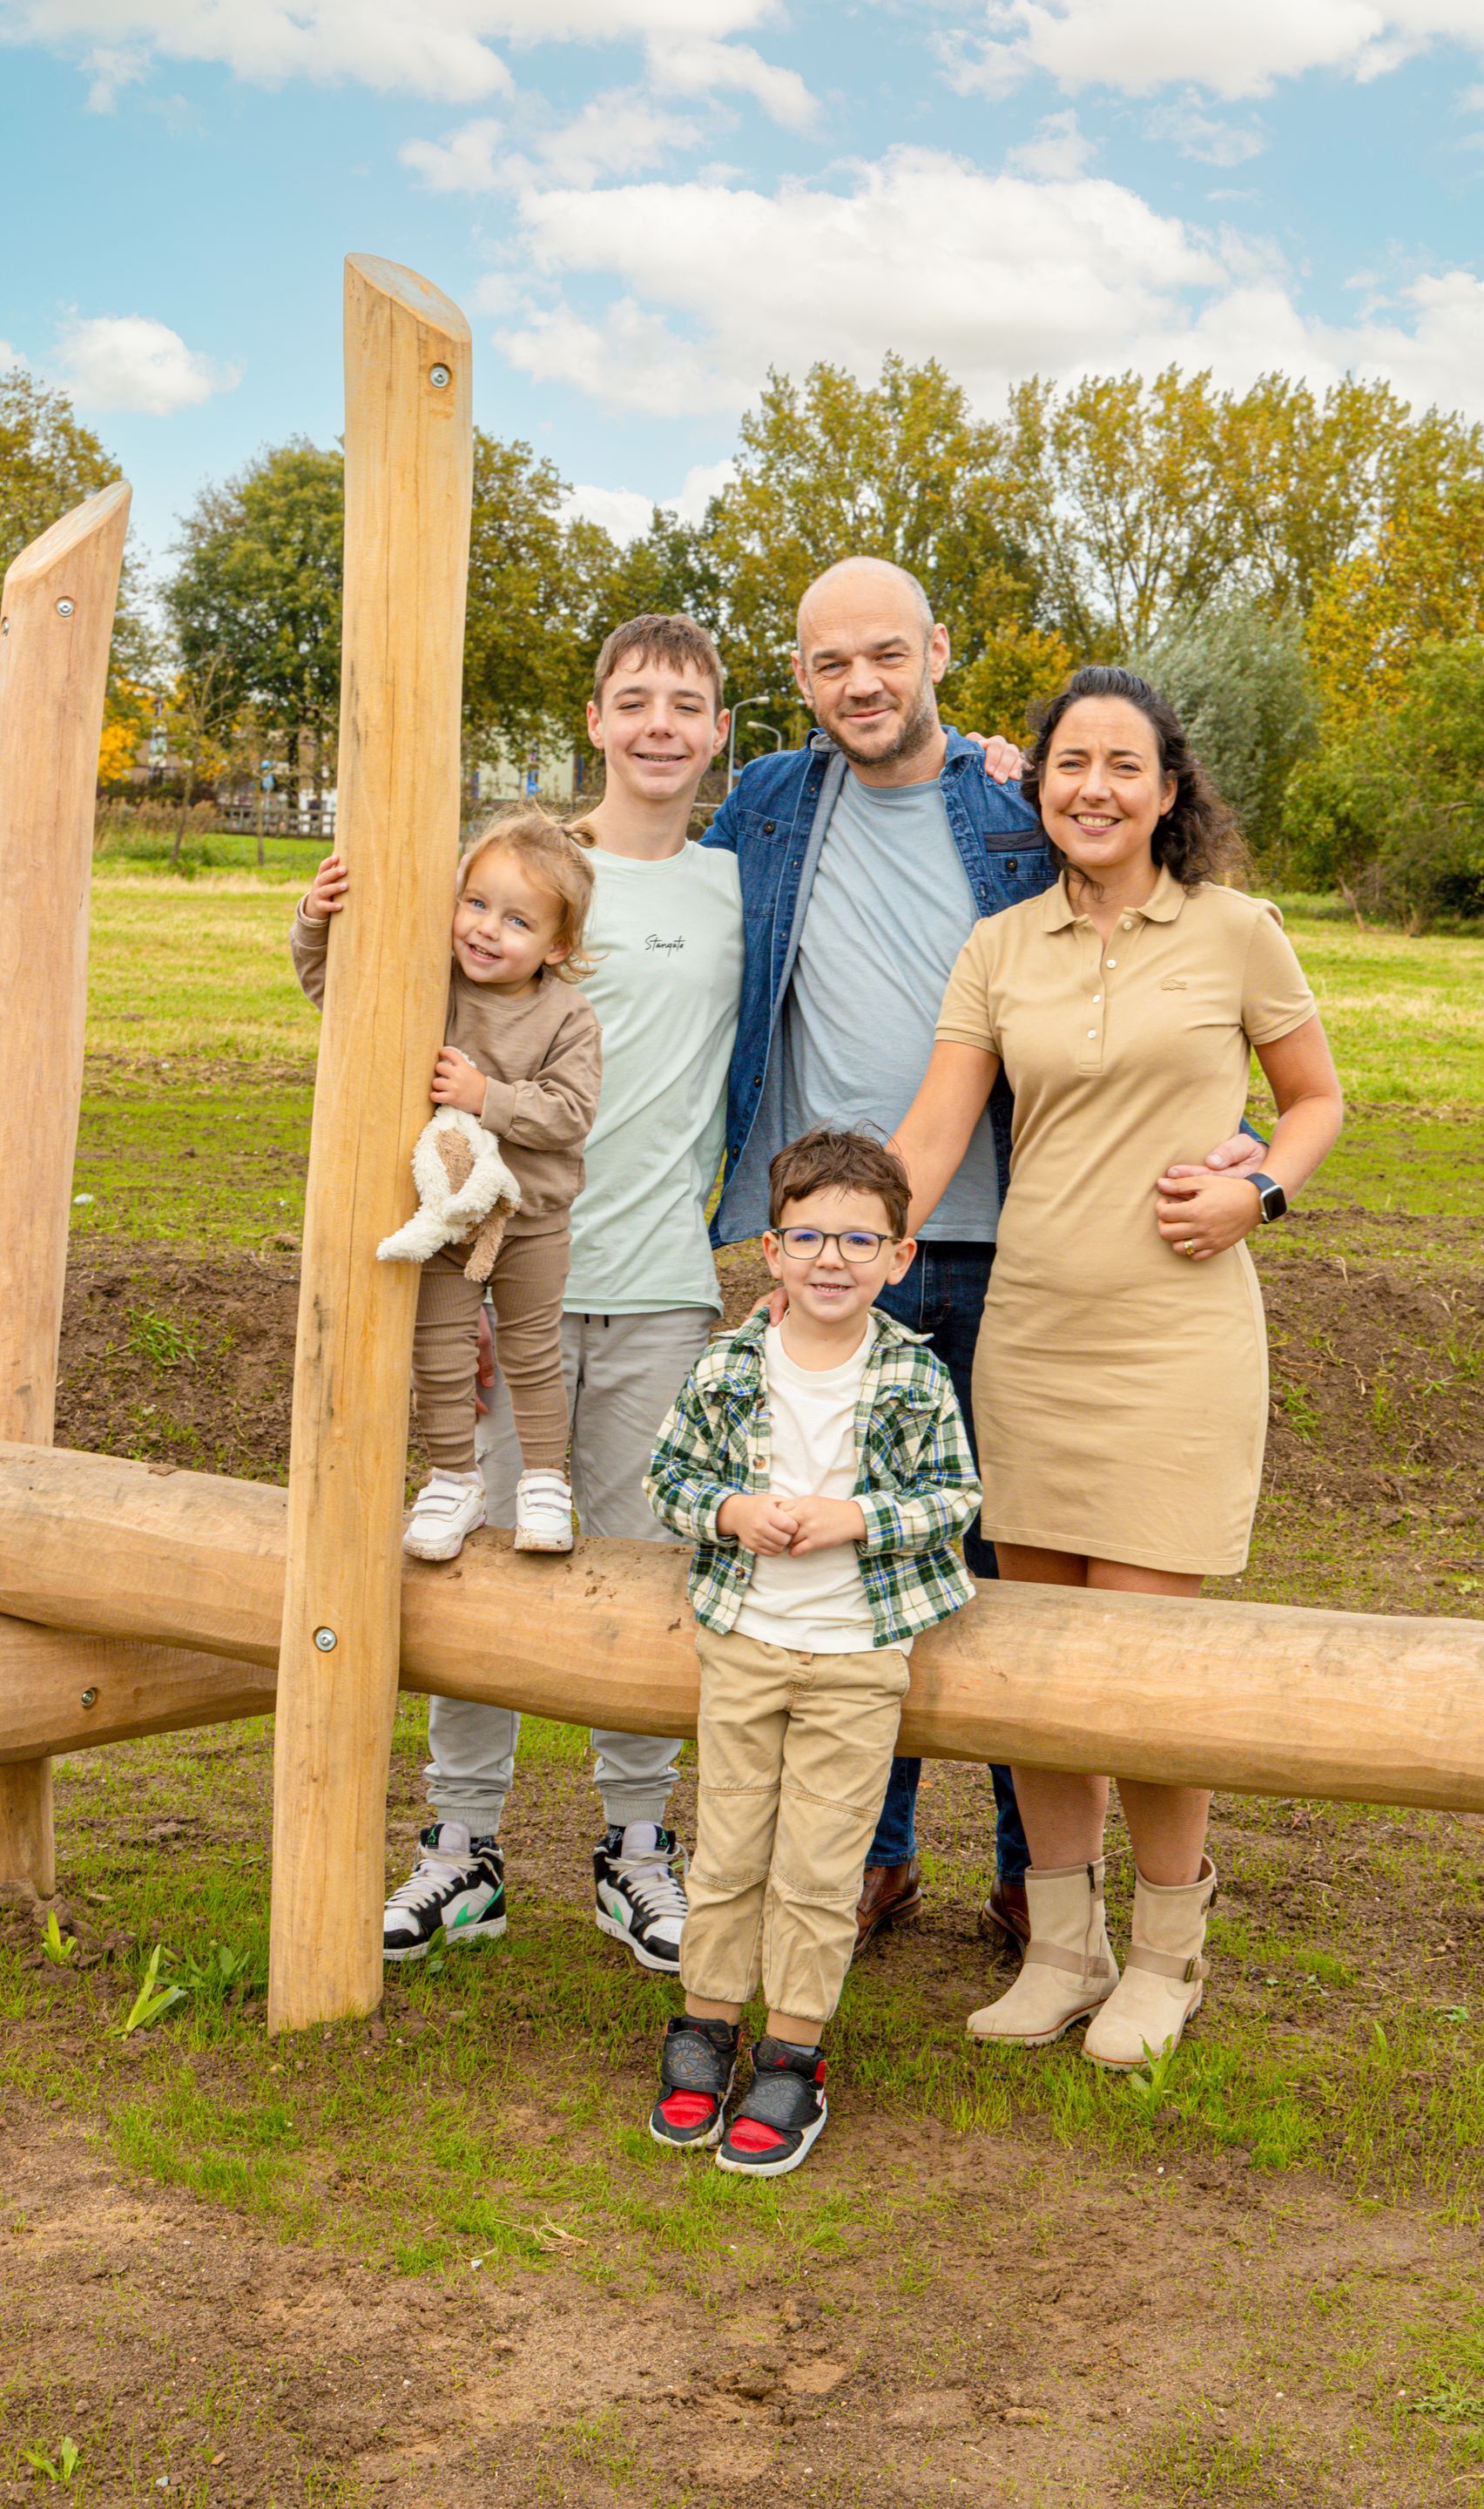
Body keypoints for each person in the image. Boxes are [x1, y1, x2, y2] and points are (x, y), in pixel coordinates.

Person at [702, 558, 1264, 1955]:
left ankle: (1039, 1889)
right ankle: (875, 1857)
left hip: (1032, 1253)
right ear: (802, 679)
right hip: (859, 1255)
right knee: (848, 1548)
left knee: (1031, 1584)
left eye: (887, 655)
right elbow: (622, 895)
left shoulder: (1016, 806)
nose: (862, 685)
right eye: (831, 664)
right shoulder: (768, 803)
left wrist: (1244, 1156)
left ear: (939, 652)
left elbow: (1150, 982)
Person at [889, 665, 1343, 2066]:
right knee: (1040, 1676)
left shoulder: (1235, 931)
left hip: (1176, 1346)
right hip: (1030, 1343)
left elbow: (1316, 1099)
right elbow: (930, 1134)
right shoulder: (999, 946)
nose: (1093, 787)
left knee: (1144, 1681)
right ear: (1037, 782)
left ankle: (1166, 1954)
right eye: (1069, 763)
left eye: (1123, 766)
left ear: (1167, 789)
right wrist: (837, 1250)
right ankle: (1063, 1944)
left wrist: (1256, 1191)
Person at [380, 614, 745, 1970]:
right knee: (470, 1548)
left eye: (688, 704)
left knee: (640, 1563)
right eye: (634, 698)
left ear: (718, 733)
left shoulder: (734, 883)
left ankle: (636, 1848)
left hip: (657, 1280)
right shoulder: (514, 877)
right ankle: (459, 1844)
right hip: (491, 1269)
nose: (660, 723)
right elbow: (374, 1000)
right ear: (595, 717)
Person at [642, 1130, 981, 2174]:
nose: (831, 1259)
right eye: (808, 1236)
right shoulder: (728, 1367)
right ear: (771, 1249)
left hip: (856, 1655)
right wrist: (737, 1508)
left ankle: (795, 2052)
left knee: (821, 1865)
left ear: (901, 1256)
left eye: (858, 1240)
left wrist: (856, 1520)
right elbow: (669, 1479)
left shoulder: (914, 1381)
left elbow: (954, 1498)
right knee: (730, 1848)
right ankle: (704, 2028)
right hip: (745, 1641)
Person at [291, 810, 601, 1573]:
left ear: (558, 947)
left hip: (531, 1217)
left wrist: (484, 1094)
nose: (487, 930)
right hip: (443, 1213)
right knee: (438, 1350)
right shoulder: (429, 978)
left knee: (532, 1350)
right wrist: (315, 920)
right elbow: (335, 993)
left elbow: (570, 1114)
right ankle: (453, 1479)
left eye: (518, 920)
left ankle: (543, 1481)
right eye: (476, 903)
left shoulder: (568, 1015)